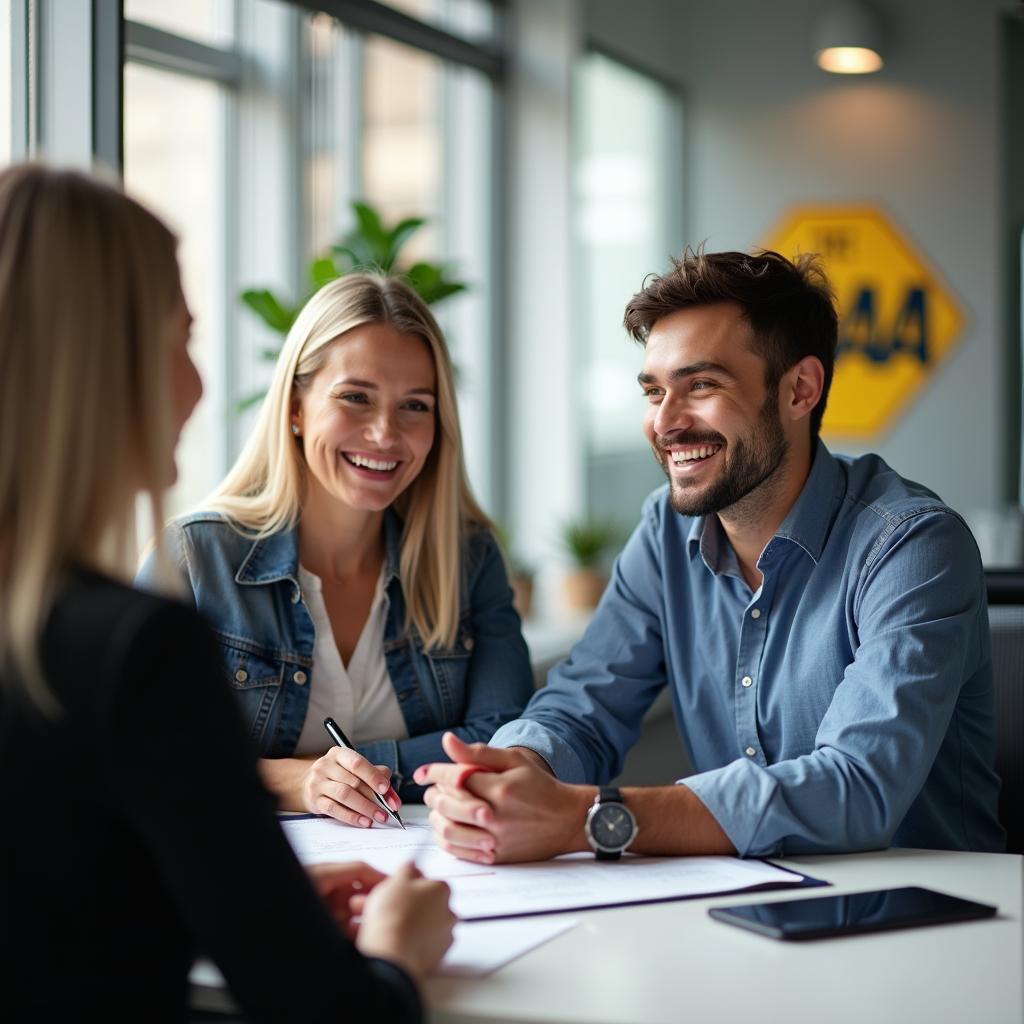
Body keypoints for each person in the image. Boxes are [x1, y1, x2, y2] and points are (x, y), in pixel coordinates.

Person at [0, 163, 454, 1021]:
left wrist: (230, 900)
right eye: (181, 340)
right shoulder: (137, 647)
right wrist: (399, 949)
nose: (200, 387)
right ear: (105, 366)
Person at [417, 248, 1006, 864]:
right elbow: (583, 706)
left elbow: (857, 786)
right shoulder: (665, 531)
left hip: (930, 919)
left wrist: (591, 819)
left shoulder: (913, 545)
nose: (665, 423)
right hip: (746, 910)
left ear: (800, 389)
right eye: (653, 392)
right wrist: (513, 770)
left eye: (701, 385)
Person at [137, 272, 532, 829]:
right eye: (355, 398)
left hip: (432, 872)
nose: (384, 435)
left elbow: (503, 740)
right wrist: (296, 780)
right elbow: (139, 754)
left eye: (414, 406)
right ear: (295, 406)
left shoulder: (468, 558)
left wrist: (364, 772)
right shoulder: (195, 558)